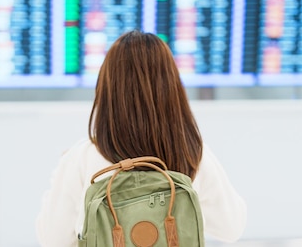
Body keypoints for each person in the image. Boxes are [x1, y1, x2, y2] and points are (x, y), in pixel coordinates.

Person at [36, 30, 247, 246]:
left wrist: (60, 171)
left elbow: (53, 239)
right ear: (172, 89)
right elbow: (232, 227)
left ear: (108, 91)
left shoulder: (81, 157)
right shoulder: (192, 153)